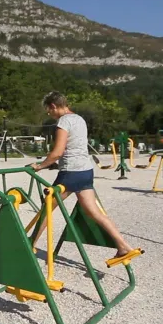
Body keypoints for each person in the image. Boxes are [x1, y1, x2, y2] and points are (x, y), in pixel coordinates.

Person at [28, 91, 139, 261]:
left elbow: (57, 152)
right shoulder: (79, 119)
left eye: (48, 111)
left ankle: (30, 244)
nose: (49, 114)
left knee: (47, 208)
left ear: (53, 106)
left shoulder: (63, 122)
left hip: (70, 172)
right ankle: (123, 246)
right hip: (86, 171)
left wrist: (40, 166)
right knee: (95, 212)